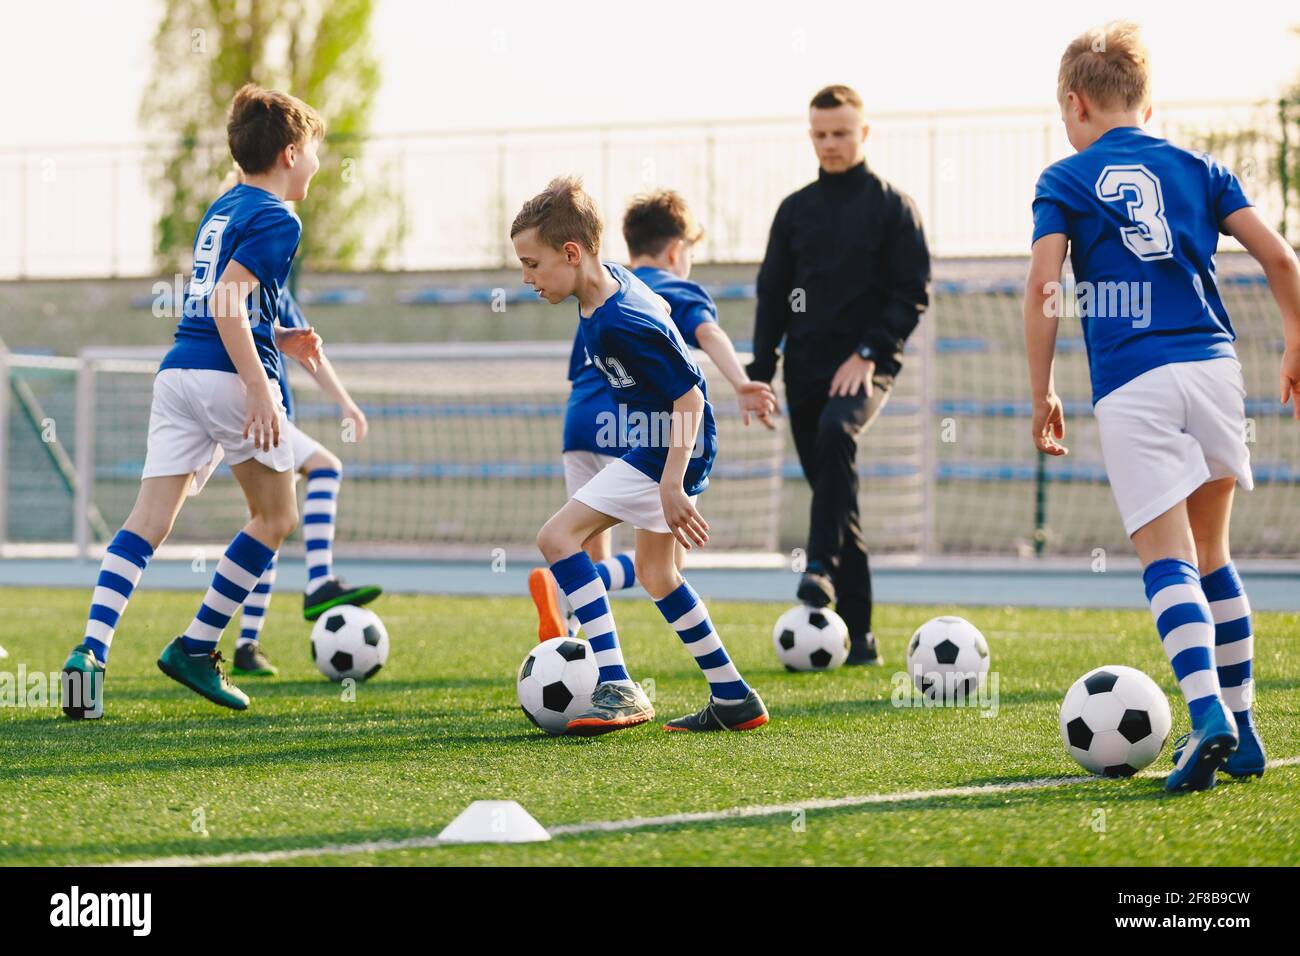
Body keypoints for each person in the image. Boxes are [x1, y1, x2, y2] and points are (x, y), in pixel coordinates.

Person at [1025, 21, 1300, 791]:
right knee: (1214, 555)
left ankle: (1204, 712)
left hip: (1134, 381)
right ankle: (1244, 732)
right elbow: (1281, 257)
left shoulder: (1065, 180)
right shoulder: (1200, 167)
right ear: (1145, 105)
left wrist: (1041, 388)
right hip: (1216, 368)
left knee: (1166, 560)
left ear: (1075, 104)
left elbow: (1046, 288)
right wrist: (1294, 343)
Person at [61, 84, 326, 718]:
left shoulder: (225, 206)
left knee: (146, 524)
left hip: (178, 372)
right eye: (315, 150)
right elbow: (227, 303)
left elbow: (224, 301)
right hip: (227, 377)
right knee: (276, 518)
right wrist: (260, 387)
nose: (317, 162)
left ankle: (88, 658)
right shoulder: (278, 217)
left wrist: (277, 334)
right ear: (290, 154)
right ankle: (198, 646)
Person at [513, 176, 768, 734]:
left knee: (557, 538)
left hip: (667, 446)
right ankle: (734, 697)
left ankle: (616, 684)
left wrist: (672, 481)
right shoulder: (608, 287)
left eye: (533, 264)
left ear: (572, 253)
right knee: (657, 574)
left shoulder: (620, 320)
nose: (527, 278)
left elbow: (690, 392)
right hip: (665, 443)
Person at [748, 84, 930, 666]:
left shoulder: (893, 206)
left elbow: (911, 293)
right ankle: (863, 639)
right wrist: (761, 366)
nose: (830, 143)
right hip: (804, 368)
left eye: (841, 133)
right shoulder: (795, 210)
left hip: (865, 367)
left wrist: (870, 351)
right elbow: (772, 293)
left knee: (835, 436)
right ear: (811, 136)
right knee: (833, 488)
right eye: (821, 134)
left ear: (863, 133)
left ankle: (819, 564)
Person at [231, 280, 383, 677]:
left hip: (262, 417)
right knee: (325, 467)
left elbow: (308, 351)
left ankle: (246, 645)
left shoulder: (271, 289)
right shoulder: (250, 286)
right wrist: (346, 404)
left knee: (267, 531)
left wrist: (345, 402)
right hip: (257, 415)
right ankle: (318, 581)